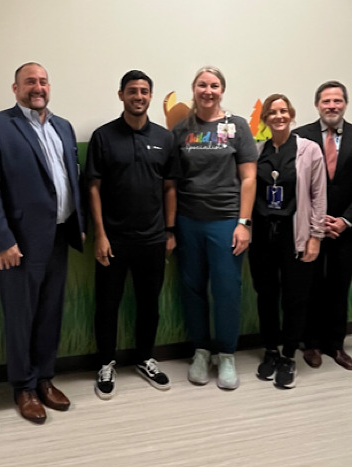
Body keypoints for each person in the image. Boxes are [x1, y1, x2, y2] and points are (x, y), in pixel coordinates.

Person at [0, 62, 84, 424]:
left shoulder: (63, 127)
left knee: (50, 313)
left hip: (59, 236)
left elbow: (70, 179)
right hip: (18, 244)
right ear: (15, 88)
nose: (37, 87)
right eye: (29, 82)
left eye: (43, 81)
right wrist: (2, 240)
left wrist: (78, 223)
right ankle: (23, 387)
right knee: (21, 317)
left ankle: (45, 379)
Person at [85, 70, 176, 399]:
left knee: (149, 303)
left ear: (151, 96)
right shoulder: (103, 136)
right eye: (132, 91)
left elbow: (169, 187)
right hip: (114, 239)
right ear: (121, 95)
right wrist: (100, 234)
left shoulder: (165, 138)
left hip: (153, 239)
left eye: (144, 91)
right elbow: (93, 187)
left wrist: (169, 230)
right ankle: (106, 362)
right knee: (107, 304)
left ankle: (144, 358)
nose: (139, 96)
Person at [171, 66, 257, 390]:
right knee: (192, 289)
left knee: (226, 290)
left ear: (222, 90)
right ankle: (201, 351)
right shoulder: (181, 130)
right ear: (193, 89)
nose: (208, 90)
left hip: (226, 222)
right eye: (202, 85)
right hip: (188, 221)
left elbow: (248, 177)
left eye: (214, 85)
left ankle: (227, 354)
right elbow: (174, 181)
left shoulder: (236, 126)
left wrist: (244, 223)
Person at [249, 94, 326, 388]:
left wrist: (316, 237)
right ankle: (270, 349)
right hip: (263, 237)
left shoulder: (309, 150)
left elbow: (319, 196)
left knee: (295, 298)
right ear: (266, 119)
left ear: (291, 115)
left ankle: (289, 354)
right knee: (266, 295)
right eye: (272, 112)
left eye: (283, 111)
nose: (278, 116)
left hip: (296, 236)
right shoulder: (257, 151)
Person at [294, 81, 352, 370]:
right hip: (310, 229)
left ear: (345, 104)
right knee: (310, 286)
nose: (332, 106)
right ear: (317, 104)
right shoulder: (299, 137)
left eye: (337, 101)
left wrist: (345, 220)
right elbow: (296, 186)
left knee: (340, 287)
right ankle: (311, 343)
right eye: (326, 101)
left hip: (346, 229)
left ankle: (336, 345)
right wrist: (315, 222)